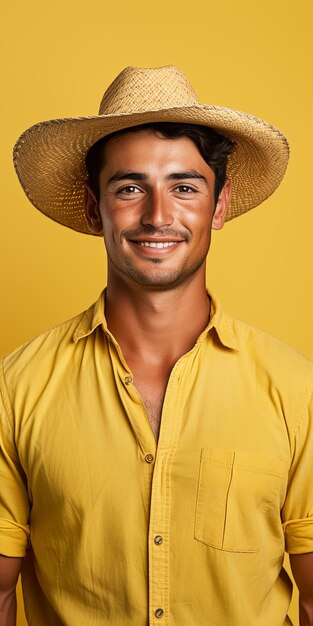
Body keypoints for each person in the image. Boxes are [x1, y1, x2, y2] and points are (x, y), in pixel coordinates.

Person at [0, 65, 312, 626]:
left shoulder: (294, 388)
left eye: (185, 187)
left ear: (219, 207)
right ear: (96, 210)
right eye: (129, 188)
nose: (158, 215)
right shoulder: (16, 388)